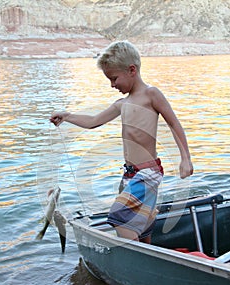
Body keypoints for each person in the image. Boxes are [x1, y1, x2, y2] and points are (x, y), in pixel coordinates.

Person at [50, 41, 193, 244]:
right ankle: (147, 259)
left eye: (114, 78)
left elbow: (174, 124)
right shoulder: (122, 104)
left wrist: (185, 159)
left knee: (119, 216)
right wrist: (67, 116)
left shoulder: (151, 94)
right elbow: (92, 121)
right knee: (142, 228)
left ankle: (134, 259)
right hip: (130, 174)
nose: (112, 85)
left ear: (132, 70)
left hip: (147, 173)